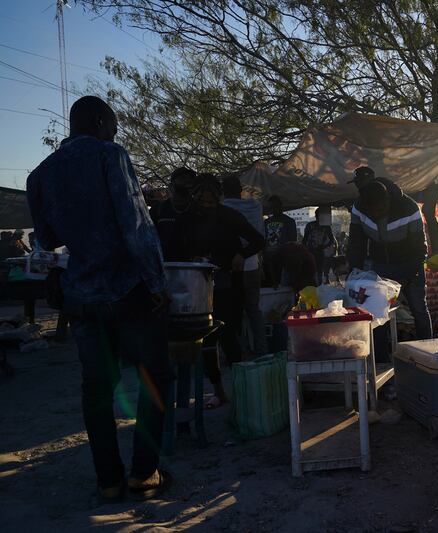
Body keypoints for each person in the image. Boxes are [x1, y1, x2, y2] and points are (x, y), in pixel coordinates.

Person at [26, 95, 171, 501]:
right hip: (127, 292)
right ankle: (145, 473)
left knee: (96, 389)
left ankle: (108, 480)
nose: (116, 130)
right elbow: (136, 224)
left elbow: (47, 239)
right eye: (112, 123)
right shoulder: (110, 155)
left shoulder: (40, 174)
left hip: (82, 297)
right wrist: (157, 283)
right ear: (97, 121)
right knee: (155, 377)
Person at [177, 174, 265, 407]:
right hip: (197, 287)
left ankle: (240, 391)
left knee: (229, 336)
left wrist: (241, 254)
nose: (207, 205)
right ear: (196, 198)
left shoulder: (229, 215)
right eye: (203, 201)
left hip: (229, 284)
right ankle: (219, 391)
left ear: (219, 198)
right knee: (207, 340)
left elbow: (258, 240)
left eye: (211, 201)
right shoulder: (186, 219)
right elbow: (175, 249)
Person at [348, 180, 432, 348]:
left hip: (409, 262)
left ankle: (427, 348)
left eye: (379, 210)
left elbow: (419, 248)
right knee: (377, 312)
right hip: (380, 266)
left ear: (387, 201)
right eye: (371, 211)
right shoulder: (359, 208)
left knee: (418, 309)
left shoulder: (410, 208)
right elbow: (356, 242)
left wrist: (410, 274)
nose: (375, 214)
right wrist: (354, 271)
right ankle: (381, 357)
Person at [222, 174, 268, 356]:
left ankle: (239, 353)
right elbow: (260, 236)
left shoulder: (223, 209)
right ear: (241, 190)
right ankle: (261, 350)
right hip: (253, 265)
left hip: (231, 267)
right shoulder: (256, 206)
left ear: (223, 192)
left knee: (234, 313)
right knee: (253, 310)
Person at [263, 195, 298, 286]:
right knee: (271, 285)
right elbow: (263, 239)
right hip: (269, 259)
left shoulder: (289, 221)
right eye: (271, 207)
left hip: (284, 259)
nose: (273, 209)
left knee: (283, 285)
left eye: (275, 206)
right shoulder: (266, 222)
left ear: (280, 206)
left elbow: (293, 241)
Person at [302, 207, 337, 284]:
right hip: (310, 251)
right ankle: (314, 285)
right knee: (312, 270)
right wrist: (304, 251)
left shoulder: (326, 226)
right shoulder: (309, 225)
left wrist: (323, 247)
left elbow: (332, 240)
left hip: (320, 252)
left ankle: (319, 286)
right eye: (318, 216)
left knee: (319, 270)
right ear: (316, 216)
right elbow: (304, 239)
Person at [421, 186, 438, 255]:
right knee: (434, 229)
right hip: (431, 220)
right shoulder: (430, 196)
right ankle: (436, 252)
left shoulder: (431, 197)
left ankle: (436, 252)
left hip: (431, 220)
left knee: (434, 229)